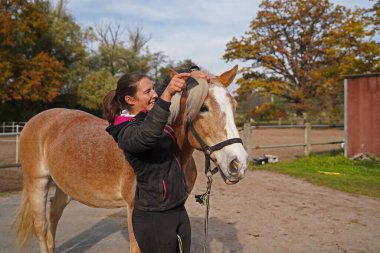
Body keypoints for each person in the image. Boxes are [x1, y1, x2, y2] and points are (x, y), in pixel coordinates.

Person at [103, 66, 207, 253]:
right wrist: (167, 94)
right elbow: (148, 135)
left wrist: (191, 72)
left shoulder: (148, 111)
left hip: (177, 210)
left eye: (153, 89)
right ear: (130, 100)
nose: (155, 94)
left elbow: (166, 86)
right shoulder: (125, 131)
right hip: (154, 217)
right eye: (148, 91)